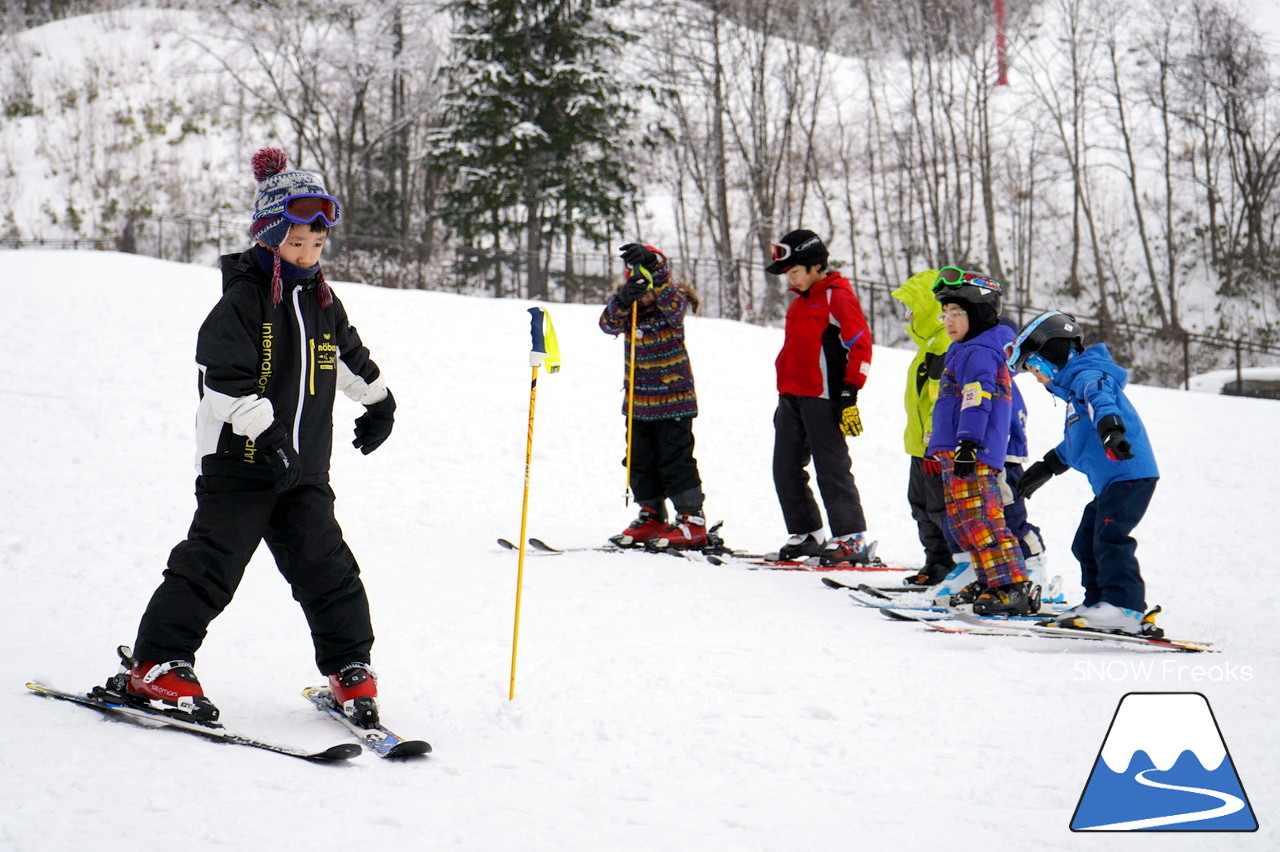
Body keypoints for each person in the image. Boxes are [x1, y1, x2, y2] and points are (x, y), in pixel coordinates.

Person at [120, 147, 397, 727]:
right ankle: (156, 664)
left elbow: (346, 360)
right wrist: (265, 434)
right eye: (296, 243)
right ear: (269, 237)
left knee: (330, 570)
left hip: (302, 472)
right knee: (210, 564)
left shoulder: (322, 301)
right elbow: (223, 383)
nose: (307, 254)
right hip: (240, 464)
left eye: (317, 245)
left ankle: (349, 669)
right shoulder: (244, 299)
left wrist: (377, 401)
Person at [1007, 311, 1161, 635]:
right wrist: (1045, 468)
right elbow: (1075, 443)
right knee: (1086, 542)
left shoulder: (1089, 376)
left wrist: (1112, 432)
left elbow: (1102, 402)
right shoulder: (1074, 395)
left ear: (1052, 355)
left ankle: (1125, 608)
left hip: (1130, 474)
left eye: (1035, 368)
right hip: (1112, 483)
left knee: (1110, 537)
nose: (1036, 378)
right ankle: (1098, 604)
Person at [926, 267, 1035, 615]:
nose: (948, 321)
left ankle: (1012, 585)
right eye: (945, 314)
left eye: (957, 313)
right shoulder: (965, 350)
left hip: (973, 452)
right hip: (955, 450)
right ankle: (990, 579)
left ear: (977, 313)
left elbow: (977, 398)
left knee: (985, 520)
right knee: (963, 522)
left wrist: (968, 443)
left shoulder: (980, 353)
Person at [766, 229, 874, 564]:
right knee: (784, 467)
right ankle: (808, 533)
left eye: (795, 271)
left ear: (815, 266)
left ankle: (851, 538)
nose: (791, 279)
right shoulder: (801, 301)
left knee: (832, 468)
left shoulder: (836, 296)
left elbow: (862, 345)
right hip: (791, 395)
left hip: (824, 397)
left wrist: (849, 389)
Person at [600, 242, 708, 549]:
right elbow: (607, 324)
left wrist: (656, 273)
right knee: (639, 460)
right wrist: (623, 299)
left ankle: (692, 519)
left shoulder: (671, 303)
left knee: (675, 460)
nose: (644, 295)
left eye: (647, 288)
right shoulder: (630, 311)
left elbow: (674, 303)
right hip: (638, 402)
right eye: (636, 288)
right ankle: (651, 513)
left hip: (674, 400)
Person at [891, 270, 954, 585]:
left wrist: (934, 440)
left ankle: (952, 564)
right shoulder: (928, 345)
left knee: (939, 508)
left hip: (934, 446)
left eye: (912, 307)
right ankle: (935, 561)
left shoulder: (943, 344)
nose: (909, 316)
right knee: (921, 506)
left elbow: (938, 396)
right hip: (919, 445)